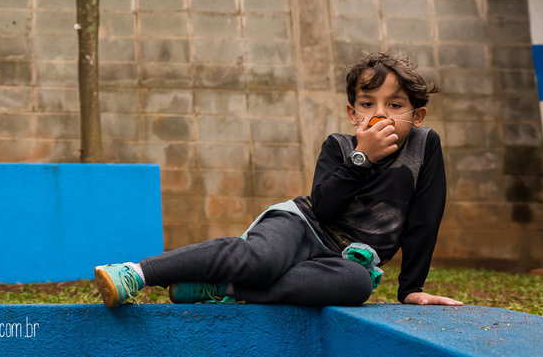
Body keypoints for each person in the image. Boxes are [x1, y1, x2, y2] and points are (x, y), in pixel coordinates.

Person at [94, 52, 462, 308]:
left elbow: (424, 219)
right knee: (263, 260)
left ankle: (227, 289)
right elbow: (324, 208)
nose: (380, 114)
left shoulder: (424, 146)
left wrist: (411, 288)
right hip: (301, 226)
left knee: (357, 285)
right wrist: (361, 157)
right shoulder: (339, 146)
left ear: (417, 116)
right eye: (368, 104)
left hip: (344, 259)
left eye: (395, 105)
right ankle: (137, 273)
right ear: (353, 114)